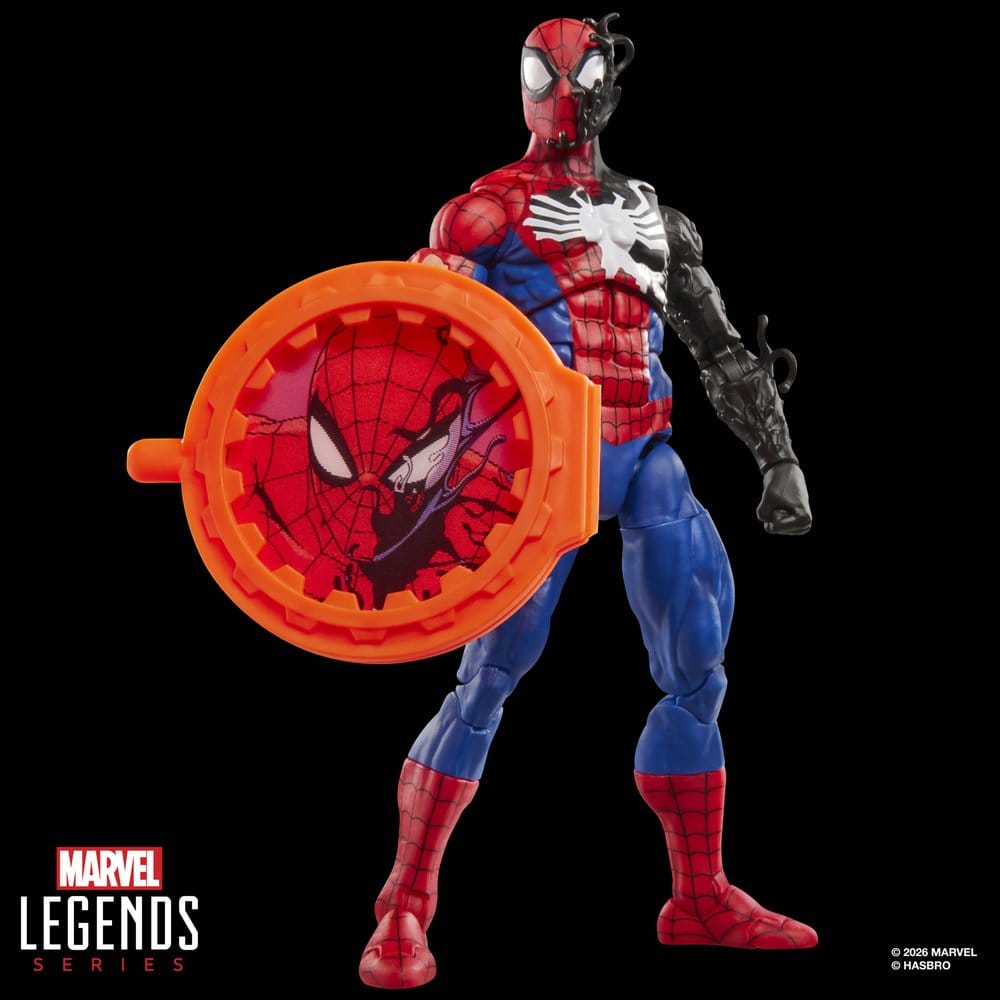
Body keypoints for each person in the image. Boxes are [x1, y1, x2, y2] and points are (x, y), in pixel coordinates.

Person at [359, 15, 815, 988]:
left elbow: (718, 346)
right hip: (536, 469)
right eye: (547, 71)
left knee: (698, 672)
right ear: (525, 81)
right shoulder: (482, 216)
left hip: (646, 455)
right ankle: (403, 904)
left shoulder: (658, 218)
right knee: (488, 678)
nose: (566, 91)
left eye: (584, 70)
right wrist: (402, 477)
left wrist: (776, 457)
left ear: (614, 79)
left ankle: (698, 896)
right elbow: (418, 342)